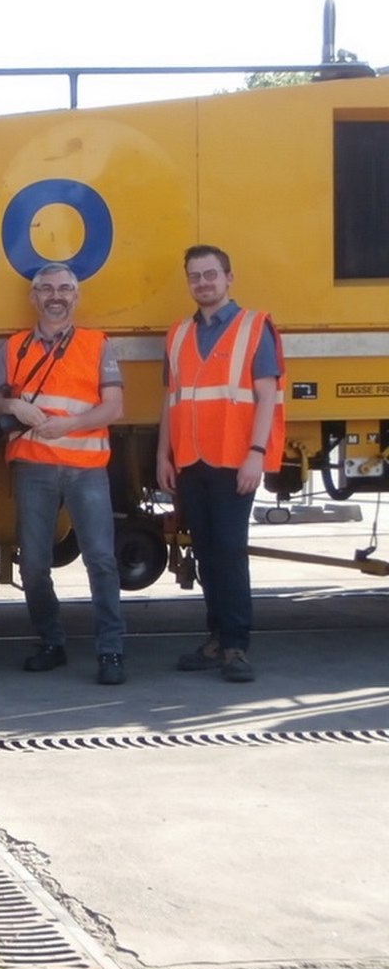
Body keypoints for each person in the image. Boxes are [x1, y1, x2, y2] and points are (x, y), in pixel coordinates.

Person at [0, 263, 126, 685]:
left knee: (101, 560)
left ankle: (111, 650)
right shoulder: (15, 348)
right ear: (34, 297)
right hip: (34, 467)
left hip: (86, 469)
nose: (55, 296)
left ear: (75, 296)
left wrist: (69, 425)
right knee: (33, 565)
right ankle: (51, 642)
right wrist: (12, 405)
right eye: (46, 289)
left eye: (64, 288)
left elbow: (114, 407)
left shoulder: (97, 344)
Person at [157, 244, 284, 683]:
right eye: (195, 276)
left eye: (211, 274)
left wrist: (256, 455)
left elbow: (266, 396)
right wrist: (162, 455)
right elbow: (171, 400)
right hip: (190, 461)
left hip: (234, 461)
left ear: (229, 278)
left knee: (229, 552)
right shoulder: (178, 334)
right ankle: (215, 638)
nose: (203, 283)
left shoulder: (253, 327)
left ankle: (235, 646)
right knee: (207, 553)